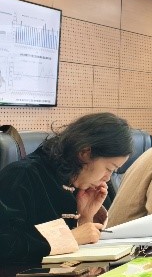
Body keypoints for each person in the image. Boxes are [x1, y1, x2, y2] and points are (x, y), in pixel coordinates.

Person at [0, 112, 133, 264]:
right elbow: (6, 245)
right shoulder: (22, 175)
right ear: (84, 153)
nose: (108, 178)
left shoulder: (85, 185)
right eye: (109, 168)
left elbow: (82, 246)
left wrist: (85, 217)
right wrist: (70, 237)